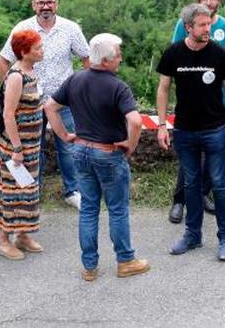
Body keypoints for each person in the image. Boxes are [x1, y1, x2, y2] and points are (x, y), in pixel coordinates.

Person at [45, 33, 147, 281]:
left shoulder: (75, 80)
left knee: (89, 209)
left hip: (80, 150)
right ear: (106, 60)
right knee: (117, 209)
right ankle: (125, 261)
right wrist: (130, 145)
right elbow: (135, 121)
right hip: (108, 153)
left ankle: (89, 267)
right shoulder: (118, 86)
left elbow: (49, 106)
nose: (120, 60)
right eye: (118, 56)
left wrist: (65, 135)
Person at [157, 4, 225, 262]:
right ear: (188, 28)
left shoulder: (219, 54)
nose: (208, 29)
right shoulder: (173, 53)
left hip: (215, 129)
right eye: (203, 25)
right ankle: (192, 235)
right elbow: (163, 89)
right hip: (184, 130)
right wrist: (162, 125)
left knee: (218, 184)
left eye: (209, 25)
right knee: (191, 184)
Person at [0, 0, 90, 209]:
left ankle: (73, 191)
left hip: (62, 101)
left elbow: (87, 59)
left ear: (56, 4)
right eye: (41, 3)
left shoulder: (71, 29)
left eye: (49, 2)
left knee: (68, 145)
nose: (45, 6)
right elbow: (3, 61)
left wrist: (82, 90)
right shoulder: (23, 28)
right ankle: (31, 190)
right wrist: (11, 93)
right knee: (31, 148)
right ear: (33, 5)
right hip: (30, 103)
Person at [167, 0, 225, 225]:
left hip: (217, 99)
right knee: (189, 159)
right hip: (190, 99)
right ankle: (179, 200)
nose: (209, 1)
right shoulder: (183, 24)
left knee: (213, 156)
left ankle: (202, 194)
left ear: (219, 0)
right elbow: (176, 57)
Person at [0, 30, 45, 261]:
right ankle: (3, 240)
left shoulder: (31, 71)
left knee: (28, 191)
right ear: (24, 52)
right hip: (17, 148)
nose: (42, 51)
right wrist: (17, 149)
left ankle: (22, 235)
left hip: (31, 146)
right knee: (11, 193)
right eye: (38, 48)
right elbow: (8, 115)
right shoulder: (15, 76)